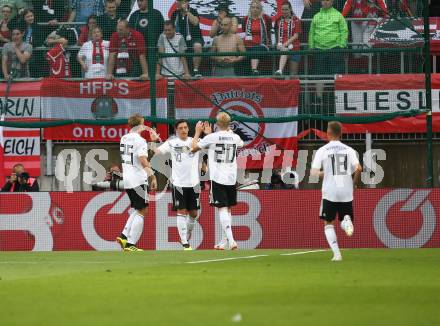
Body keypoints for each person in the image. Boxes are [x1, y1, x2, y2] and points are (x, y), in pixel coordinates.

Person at [191, 113, 244, 250]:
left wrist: (198, 133)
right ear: (229, 124)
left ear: (216, 123)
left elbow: (193, 148)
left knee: (222, 208)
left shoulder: (211, 137)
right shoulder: (235, 137)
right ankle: (223, 241)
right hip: (231, 178)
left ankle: (232, 241)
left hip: (218, 177)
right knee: (228, 209)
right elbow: (240, 143)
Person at [310, 121, 362, 261]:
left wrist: (325, 172)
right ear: (341, 133)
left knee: (328, 222)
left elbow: (314, 173)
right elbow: (359, 169)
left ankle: (337, 254)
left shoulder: (323, 150)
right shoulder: (349, 150)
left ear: (328, 133)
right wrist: (354, 184)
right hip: (346, 192)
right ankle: (346, 221)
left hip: (330, 192)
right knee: (344, 217)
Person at [154, 120, 201, 250]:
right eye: (181, 128)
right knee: (181, 211)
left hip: (194, 183)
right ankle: (185, 242)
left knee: (193, 213)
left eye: (185, 127)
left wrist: (199, 133)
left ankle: (187, 232)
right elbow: (157, 152)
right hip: (178, 183)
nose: (184, 130)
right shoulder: (172, 142)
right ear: (176, 130)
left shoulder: (195, 140)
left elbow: (195, 148)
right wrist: (154, 142)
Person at [116, 113, 158, 252]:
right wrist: (152, 176)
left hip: (127, 178)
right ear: (140, 125)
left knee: (138, 208)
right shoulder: (140, 141)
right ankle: (130, 244)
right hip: (138, 178)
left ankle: (124, 236)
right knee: (143, 210)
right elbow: (143, 160)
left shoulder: (124, 138)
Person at [309, 0, 348, 102]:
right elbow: (311, 32)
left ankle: (337, 99)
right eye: (323, 0)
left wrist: (341, 45)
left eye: (328, 0)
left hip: (334, 49)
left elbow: (344, 30)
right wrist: (311, 46)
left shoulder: (338, 15)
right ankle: (319, 99)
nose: (325, 2)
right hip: (319, 49)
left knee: (336, 74)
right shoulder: (316, 16)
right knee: (319, 75)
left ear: (332, 2)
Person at [171, 0, 204, 77]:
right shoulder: (175, 13)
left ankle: (195, 70)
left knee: (197, 46)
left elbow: (195, 22)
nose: (177, 3)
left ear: (185, 3)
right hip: (180, 39)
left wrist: (186, 11)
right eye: (177, 1)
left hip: (195, 37)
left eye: (179, 1)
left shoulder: (193, 11)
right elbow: (172, 27)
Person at [242, 0, 272, 75]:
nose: (255, 9)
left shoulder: (266, 18)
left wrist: (269, 44)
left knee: (256, 50)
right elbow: (244, 31)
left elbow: (268, 31)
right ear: (250, 8)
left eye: (257, 8)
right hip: (248, 45)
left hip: (261, 45)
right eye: (253, 7)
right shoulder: (245, 19)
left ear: (260, 9)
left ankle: (254, 70)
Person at [274, 1, 302, 77]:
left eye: (286, 9)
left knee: (293, 74)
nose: (284, 11)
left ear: (290, 9)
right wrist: (279, 44)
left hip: (294, 48)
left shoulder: (296, 20)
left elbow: (296, 36)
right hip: (283, 48)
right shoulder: (278, 20)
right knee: (284, 51)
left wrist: (285, 44)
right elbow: (277, 35)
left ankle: (294, 87)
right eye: (282, 9)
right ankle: (280, 71)